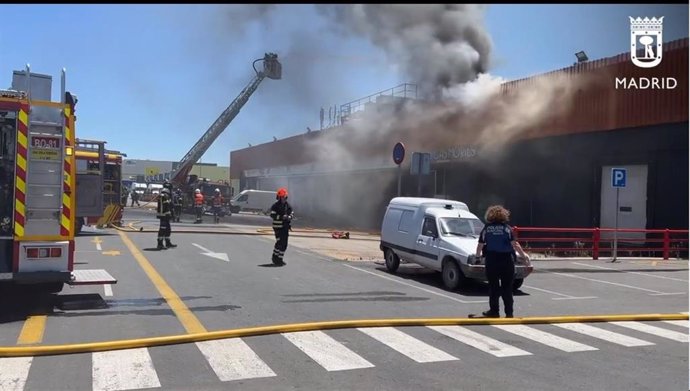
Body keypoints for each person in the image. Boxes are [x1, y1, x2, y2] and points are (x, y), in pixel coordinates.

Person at [475, 205, 529, 318]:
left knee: (493, 288)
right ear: (504, 215)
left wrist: (478, 257)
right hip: (506, 261)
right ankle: (509, 313)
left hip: (492, 260)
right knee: (507, 288)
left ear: (490, 215)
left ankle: (494, 311)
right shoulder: (507, 228)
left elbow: (480, 245)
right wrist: (523, 257)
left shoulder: (487, 228)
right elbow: (515, 244)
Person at [270, 187, 293, 266]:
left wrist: (289, 217)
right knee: (279, 242)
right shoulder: (275, 206)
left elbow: (291, 213)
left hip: (285, 227)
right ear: (279, 197)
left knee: (284, 244)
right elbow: (272, 215)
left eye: (284, 197)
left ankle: (280, 259)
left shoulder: (288, 206)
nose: (283, 199)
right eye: (282, 197)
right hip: (277, 227)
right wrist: (281, 217)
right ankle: (275, 257)